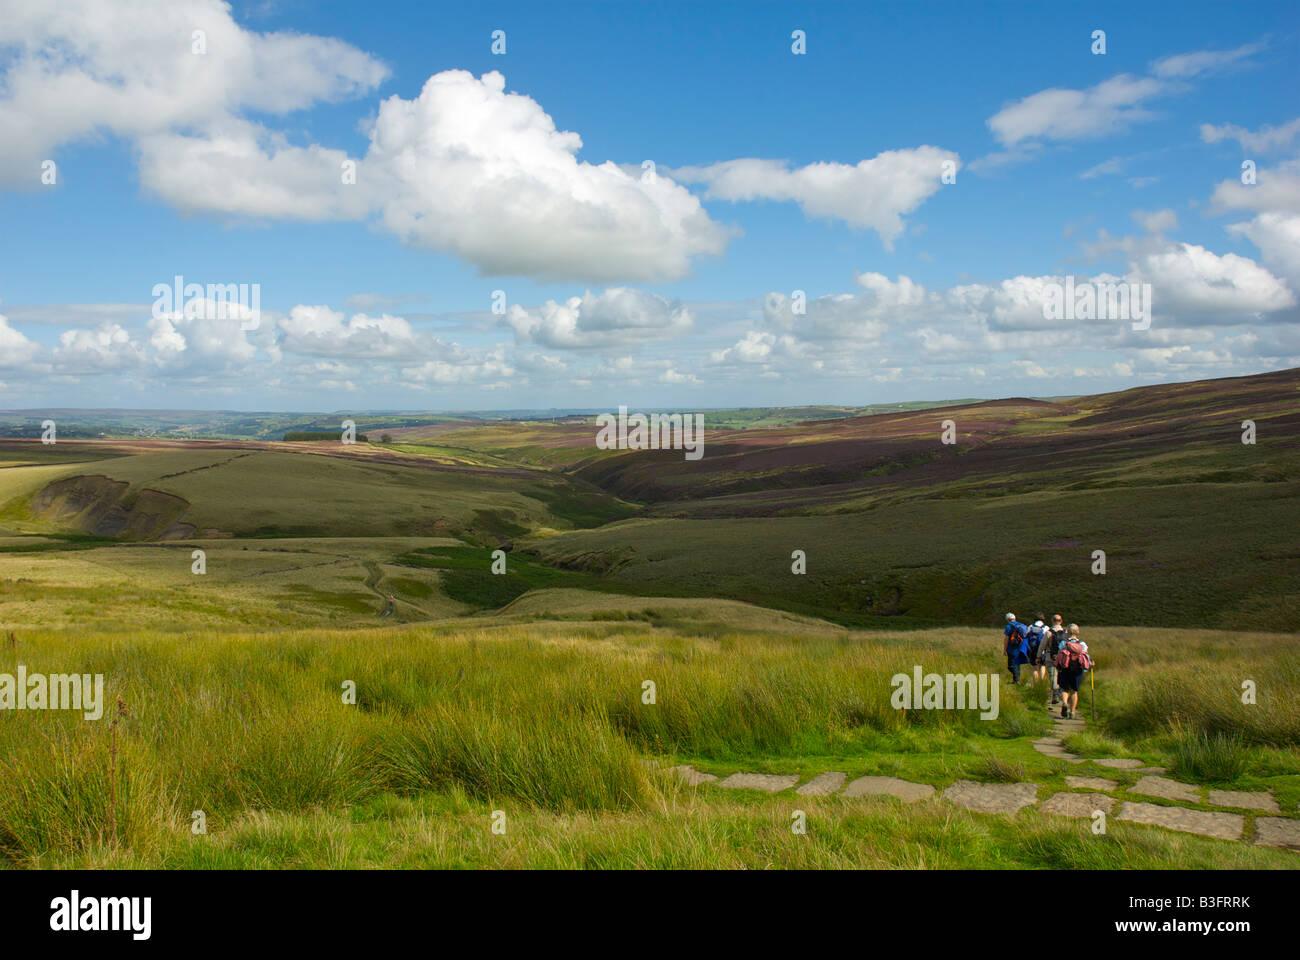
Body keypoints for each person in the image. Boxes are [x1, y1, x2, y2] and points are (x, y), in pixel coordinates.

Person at [1054, 623, 1090, 719]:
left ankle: (1065, 703)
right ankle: (1072, 711)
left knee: (1065, 689)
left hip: (1065, 669)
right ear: (1077, 632)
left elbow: (1059, 655)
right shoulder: (1082, 644)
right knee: (1074, 691)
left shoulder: (1063, 643)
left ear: (1068, 632)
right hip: (1077, 670)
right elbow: (1086, 656)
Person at [1040, 614, 1067, 703]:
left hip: (1050, 657)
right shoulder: (1066, 633)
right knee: (1062, 676)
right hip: (1063, 659)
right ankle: (1061, 693)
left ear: (1052, 620)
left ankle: (1055, 695)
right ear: (1061, 621)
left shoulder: (1049, 632)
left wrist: (1038, 656)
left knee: (1053, 676)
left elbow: (1042, 645)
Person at [1003, 612, 1030, 684]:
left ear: (1007, 619)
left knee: (1010, 665)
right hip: (1021, 647)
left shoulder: (1009, 626)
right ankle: (1016, 680)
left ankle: (1017, 680)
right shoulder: (1021, 625)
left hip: (1011, 648)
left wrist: (1005, 649)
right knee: (1017, 664)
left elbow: (1006, 638)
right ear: (1015, 618)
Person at [1026, 613, 1047, 684]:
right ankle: (1042, 683)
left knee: (1035, 668)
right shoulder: (1046, 627)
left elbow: (1025, 635)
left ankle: (1035, 684)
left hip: (1032, 650)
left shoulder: (1030, 627)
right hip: (1042, 650)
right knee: (1042, 666)